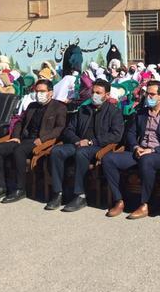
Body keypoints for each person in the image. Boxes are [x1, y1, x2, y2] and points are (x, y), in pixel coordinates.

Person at [102, 81, 160, 219]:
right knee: (108, 159)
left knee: (146, 160)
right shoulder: (141, 113)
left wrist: (152, 151)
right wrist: (136, 146)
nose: (148, 97)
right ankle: (119, 199)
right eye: (147, 93)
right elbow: (131, 133)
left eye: (152, 94)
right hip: (139, 150)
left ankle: (146, 204)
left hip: (159, 154)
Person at [46, 79, 124, 212]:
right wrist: (77, 140)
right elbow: (68, 130)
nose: (94, 95)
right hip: (78, 143)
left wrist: (90, 142)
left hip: (98, 146)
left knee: (82, 152)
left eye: (98, 93)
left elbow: (116, 135)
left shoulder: (114, 112)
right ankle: (58, 193)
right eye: (93, 92)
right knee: (57, 151)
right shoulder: (83, 110)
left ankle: (80, 195)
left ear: (107, 95)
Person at [0, 80, 67, 203]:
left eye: (42, 91)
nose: (39, 94)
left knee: (19, 150)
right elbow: (20, 122)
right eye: (37, 91)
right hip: (24, 139)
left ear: (50, 92)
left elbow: (59, 128)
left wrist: (42, 139)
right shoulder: (32, 106)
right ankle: (1, 187)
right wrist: (16, 136)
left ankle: (20, 189)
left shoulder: (59, 107)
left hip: (39, 141)